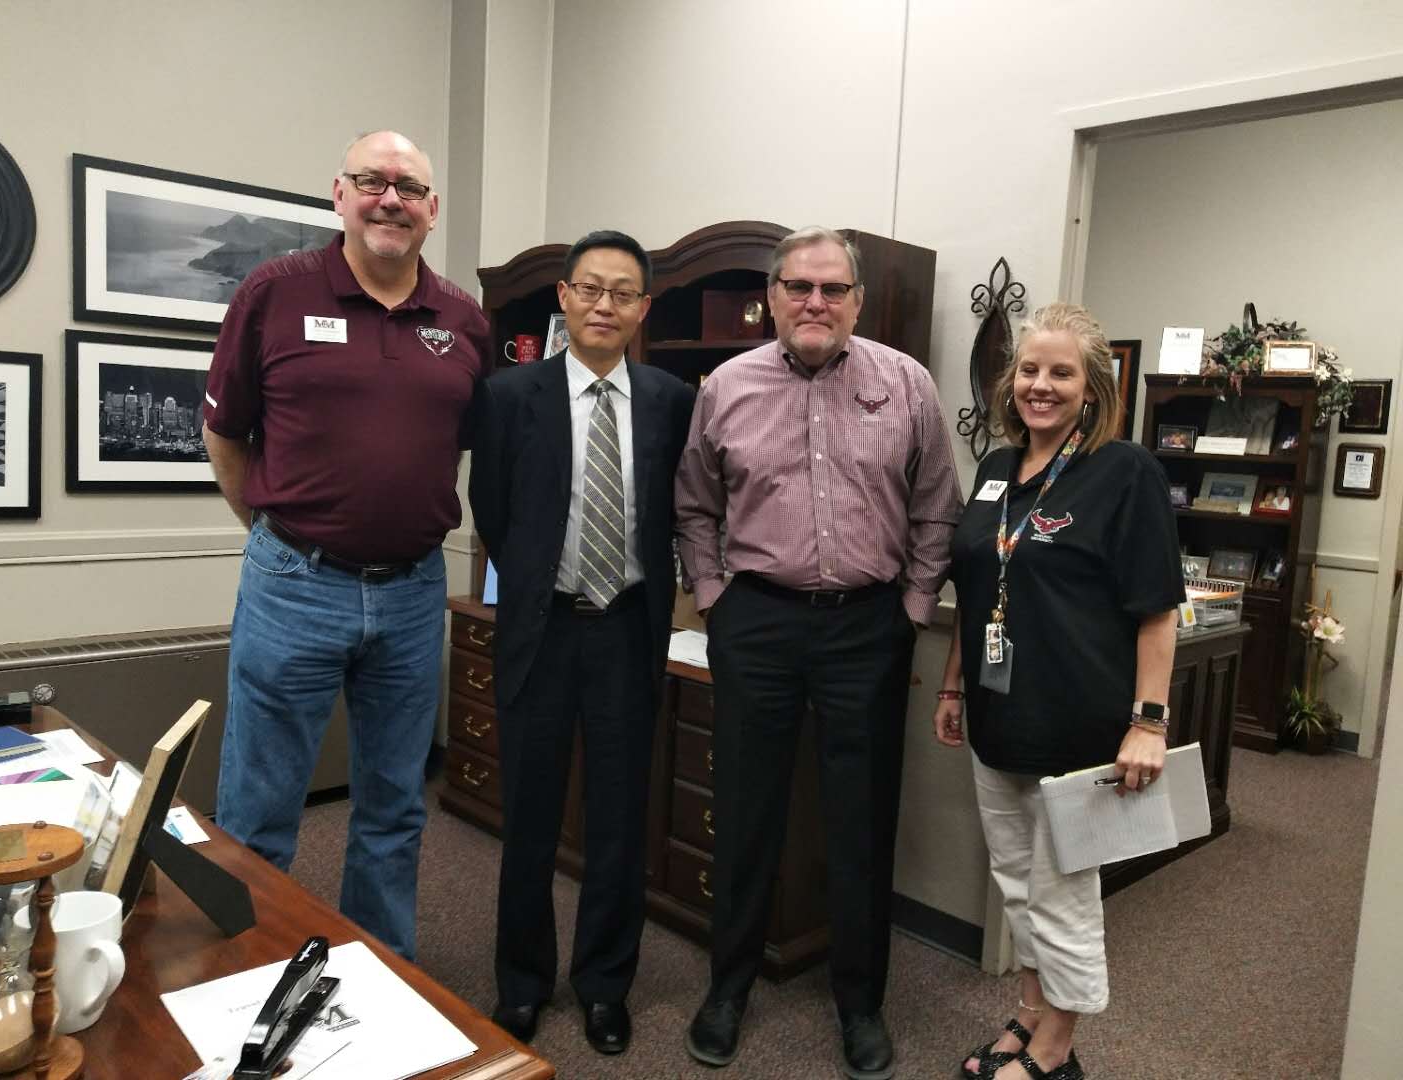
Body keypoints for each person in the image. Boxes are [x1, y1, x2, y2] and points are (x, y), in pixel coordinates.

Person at [675, 226, 962, 1079]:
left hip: (867, 628)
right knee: (746, 812)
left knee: (861, 820)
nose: (815, 302)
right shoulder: (727, 387)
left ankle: (860, 1003)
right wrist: (715, 597)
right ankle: (727, 990)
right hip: (756, 623)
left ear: (858, 301)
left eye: (833, 289)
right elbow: (694, 505)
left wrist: (911, 610)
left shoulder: (905, 383)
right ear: (771, 296)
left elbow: (937, 508)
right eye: (798, 286)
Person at [202, 130, 489, 961]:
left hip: (412, 592)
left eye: (409, 188)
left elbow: (459, 442)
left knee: (395, 808)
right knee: (260, 810)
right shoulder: (275, 291)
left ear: (433, 210)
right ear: (340, 194)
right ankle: (246, 973)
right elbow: (225, 433)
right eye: (373, 181)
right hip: (294, 583)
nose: (390, 199)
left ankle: (383, 971)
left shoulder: (464, 321)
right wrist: (274, 537)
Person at [933, 303, 1185, 1080]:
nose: (1041, 386)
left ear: (1092, 388)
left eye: (1061, 373)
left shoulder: (1125, 472)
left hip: (1079, 727)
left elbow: (1157, 611)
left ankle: (1056, 1049)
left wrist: (1148, 723)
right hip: (997, 718)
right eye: (1030, 371)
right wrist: (952, 688)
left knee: (1063, 893)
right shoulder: (995, 469)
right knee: (1017, 886)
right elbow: (977, 592)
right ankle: (1030, 1011)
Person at [468, 230, 695, 1055]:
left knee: (618, 820)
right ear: (564, 297)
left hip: (628, 630)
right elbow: (493, 511)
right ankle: (522, 983)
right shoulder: (508, 396)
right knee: (528, 817)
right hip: (542, 629)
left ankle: (604, 986)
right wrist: (539, 581)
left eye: (623, 293)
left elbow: (677, 511)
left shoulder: (672, 400)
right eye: (591, 289)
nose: (605, 305)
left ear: (643, 309)